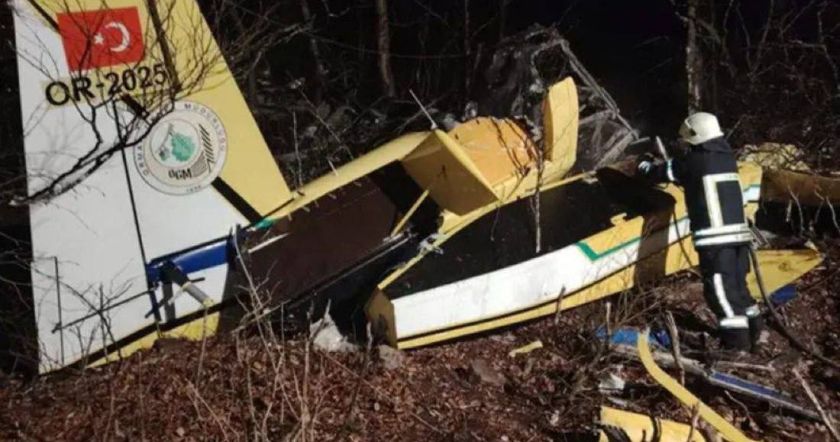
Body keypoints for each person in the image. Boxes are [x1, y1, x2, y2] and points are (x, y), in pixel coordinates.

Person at [637, 112, 763, 352]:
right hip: (739, 237)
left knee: (720, 291)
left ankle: (736, 344)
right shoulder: (726, 157)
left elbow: (655, 174)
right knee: (739, 287)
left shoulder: (694, 161)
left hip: (716, 240)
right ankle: (756, 332)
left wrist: (643, 162)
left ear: (695, 136)